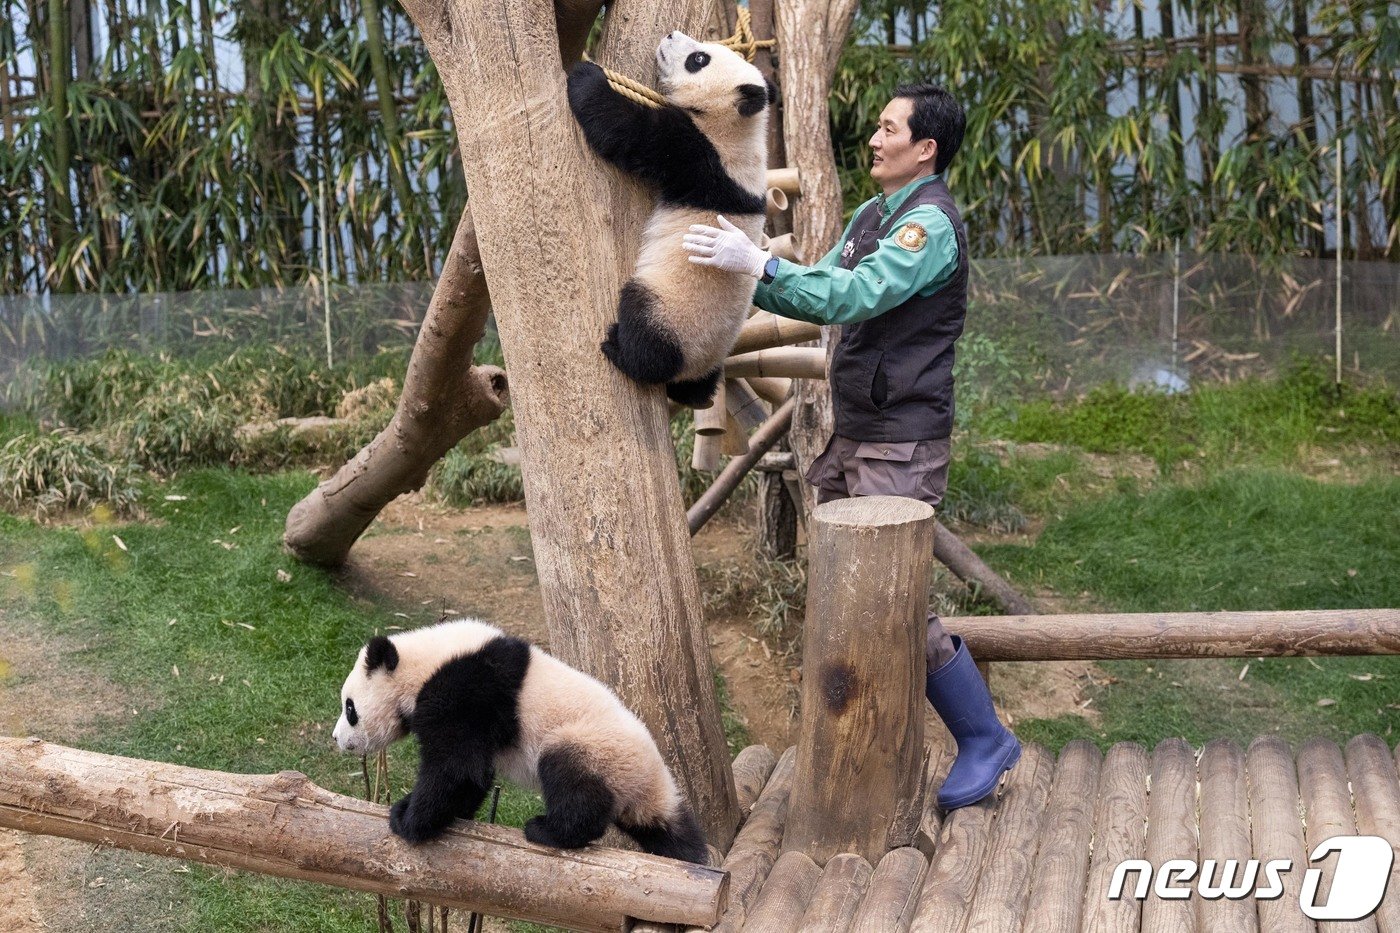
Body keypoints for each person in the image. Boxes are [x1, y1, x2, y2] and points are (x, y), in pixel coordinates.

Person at [682, 83, 1020, 809]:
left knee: (893, 600)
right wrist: (747, 272)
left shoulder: (925, 228)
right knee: (848, 590)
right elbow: (824, 285)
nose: (873, 136)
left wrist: (760, 265)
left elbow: (855, 296)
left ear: (924, 148)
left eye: (888, 127)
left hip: (903, 440)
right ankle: (868, 743)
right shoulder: (875, 214)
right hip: (858, 430)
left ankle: (984, 736)